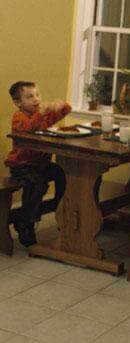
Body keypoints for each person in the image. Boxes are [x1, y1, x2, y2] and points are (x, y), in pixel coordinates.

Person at [5, 81, 69, 246]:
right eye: (29, 97)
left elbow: (65, 110)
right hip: (22, 166)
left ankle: (60, 209)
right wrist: (43, 111)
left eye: (37, 95)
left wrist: (60, 106)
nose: (36, 99)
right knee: (38, 185)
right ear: (18, 103)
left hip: (41, 164)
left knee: (62, 173)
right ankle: (26, 223)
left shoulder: (42, 116)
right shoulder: (19, 117)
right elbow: (30, 127)